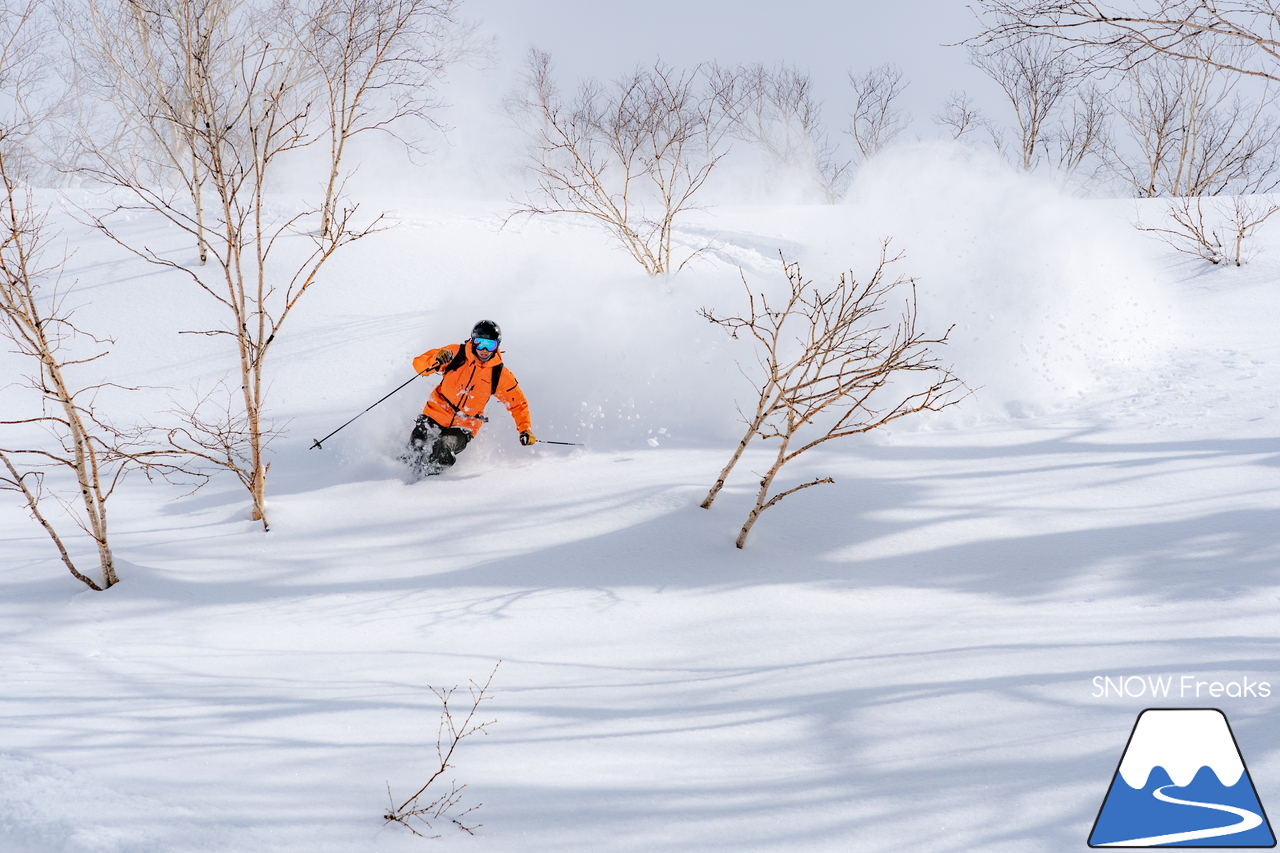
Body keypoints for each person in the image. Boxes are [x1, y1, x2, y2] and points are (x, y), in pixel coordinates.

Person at [400, 320, 535, 478]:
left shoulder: (499, 375)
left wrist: (525, 429)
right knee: (417, 443)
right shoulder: (456, 353)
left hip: (464, 425)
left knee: (444, 447)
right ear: (473, 341)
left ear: (497, 345)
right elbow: (419, 365)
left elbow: (518, 404)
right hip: (435, 413)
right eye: (480, 343)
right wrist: (436, 359)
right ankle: (401, 474)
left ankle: (430, 482)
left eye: (489, 345)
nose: (484, 350)